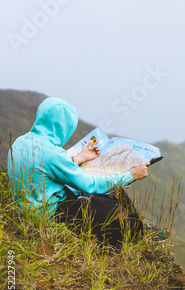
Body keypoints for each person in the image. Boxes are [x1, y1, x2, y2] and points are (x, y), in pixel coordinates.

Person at [7, 97, 150, 247]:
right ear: (63, 128)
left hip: (25, 209)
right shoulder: (54, 154)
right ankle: (138, 227)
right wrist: (131, 175)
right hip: (51, 213)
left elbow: (45, 166)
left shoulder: (20, 141)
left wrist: (81, 157)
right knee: (125, 222)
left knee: (106, 202)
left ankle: (134, 222)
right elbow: (89, 185)